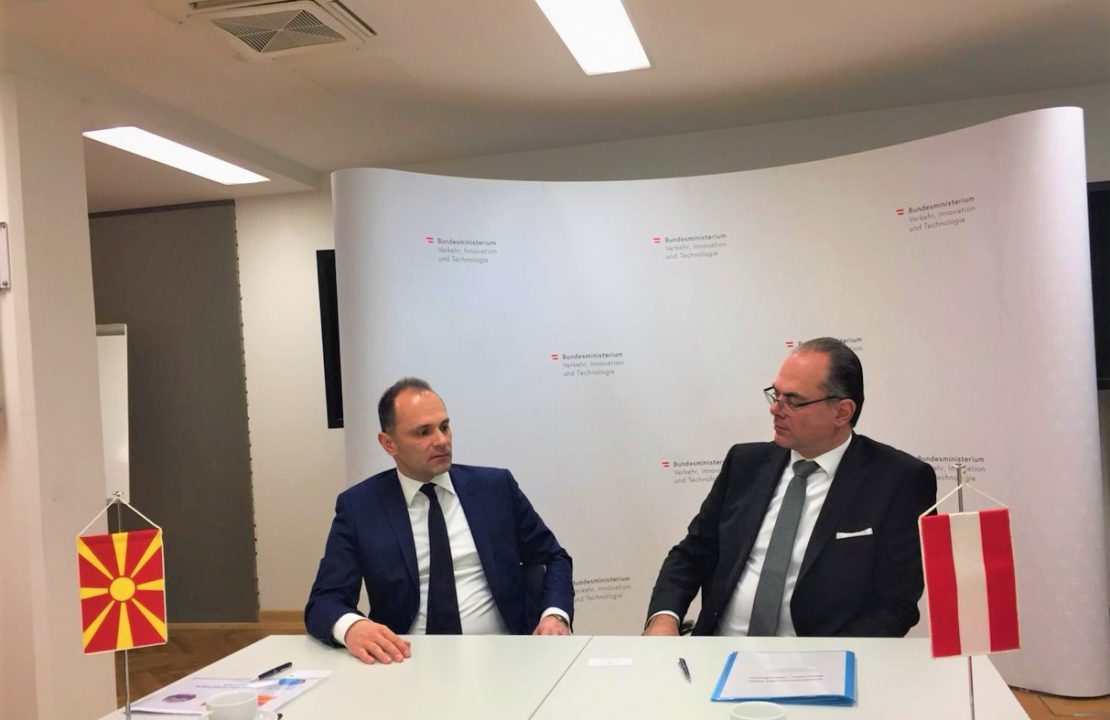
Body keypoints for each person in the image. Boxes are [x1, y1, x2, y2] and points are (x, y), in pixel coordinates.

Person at [645, 337, 936, 637]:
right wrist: (663, 619)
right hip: (720, 649)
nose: (775, 409)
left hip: (825, 656)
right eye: (776, 395)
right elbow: (692, 553)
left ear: (842, 412)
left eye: (793, 400)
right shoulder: (745, 463)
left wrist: (828, 658)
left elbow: (894, 605)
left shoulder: (900, 481)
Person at [306, 378, 573, 664]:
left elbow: (554, 557)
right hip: (404, 660)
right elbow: (325, 600)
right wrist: (352, 627)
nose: (442, 441)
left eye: (444, 427)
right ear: (388, 443)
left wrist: (555, 615)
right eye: (423, 432)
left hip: (503, 656)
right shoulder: (360, 507)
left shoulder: (495, 489)